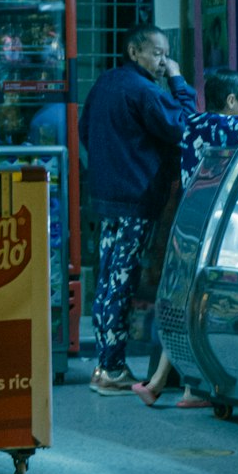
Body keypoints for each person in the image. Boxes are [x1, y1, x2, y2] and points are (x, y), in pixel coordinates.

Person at [79, 23, 196, 394]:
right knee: (121, 281)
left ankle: (104, 365)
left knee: (108, 279)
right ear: (135, 53)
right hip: (135, 198)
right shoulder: (144, 90)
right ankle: (112, 369)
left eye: (166, 54)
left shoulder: (104, 84)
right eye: (158, 53)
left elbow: (84, 131)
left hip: (106, 198)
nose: (164, 61)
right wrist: (178, 80)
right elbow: (185, 126)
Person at [133, 68, 238, 408]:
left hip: (190, 220)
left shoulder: (195, 123)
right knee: (201, 306)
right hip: (217, 227)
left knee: (184, 301)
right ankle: (189, 388)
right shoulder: (230, 126)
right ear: (231, 101)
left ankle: (166, 383)